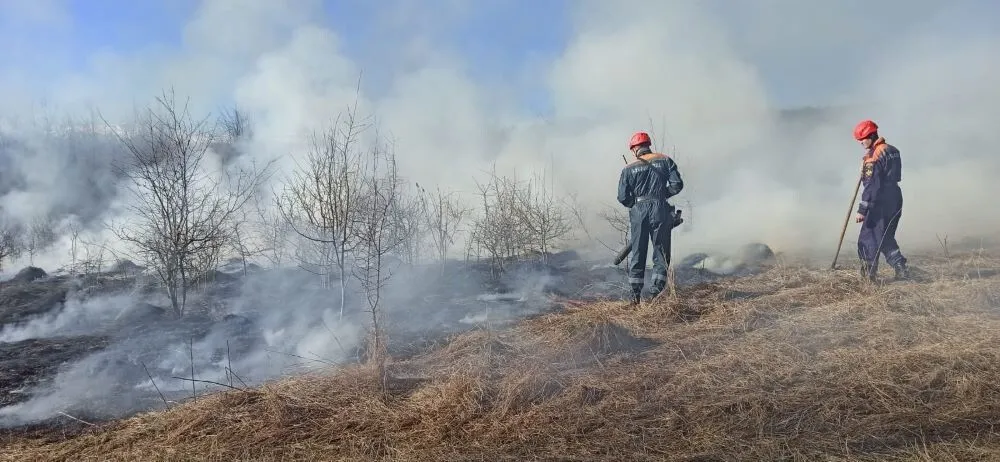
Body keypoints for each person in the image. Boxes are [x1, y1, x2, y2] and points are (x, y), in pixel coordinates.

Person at [617, 131, 685, 304]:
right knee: (661, 252)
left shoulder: (628, 168)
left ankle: (635, 297)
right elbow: (677, 185)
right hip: (660, 210)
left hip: (639, 211)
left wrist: (637, 204)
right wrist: (662, 196)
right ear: (648, 144)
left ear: (634, 149)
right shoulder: (664, 159)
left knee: (638, 253)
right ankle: (656, 294)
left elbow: (623, 197)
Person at [853, 119, 910, 281]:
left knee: (868, 237)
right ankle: (901, 269)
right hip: (895, 197)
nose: (861, 143)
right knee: (885, 236)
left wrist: (862, 209)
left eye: (862, 139)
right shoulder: (892, 150)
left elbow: (872, 186)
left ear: (871, 136)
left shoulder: (872, 157)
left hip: (880, 201)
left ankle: (868, 277)